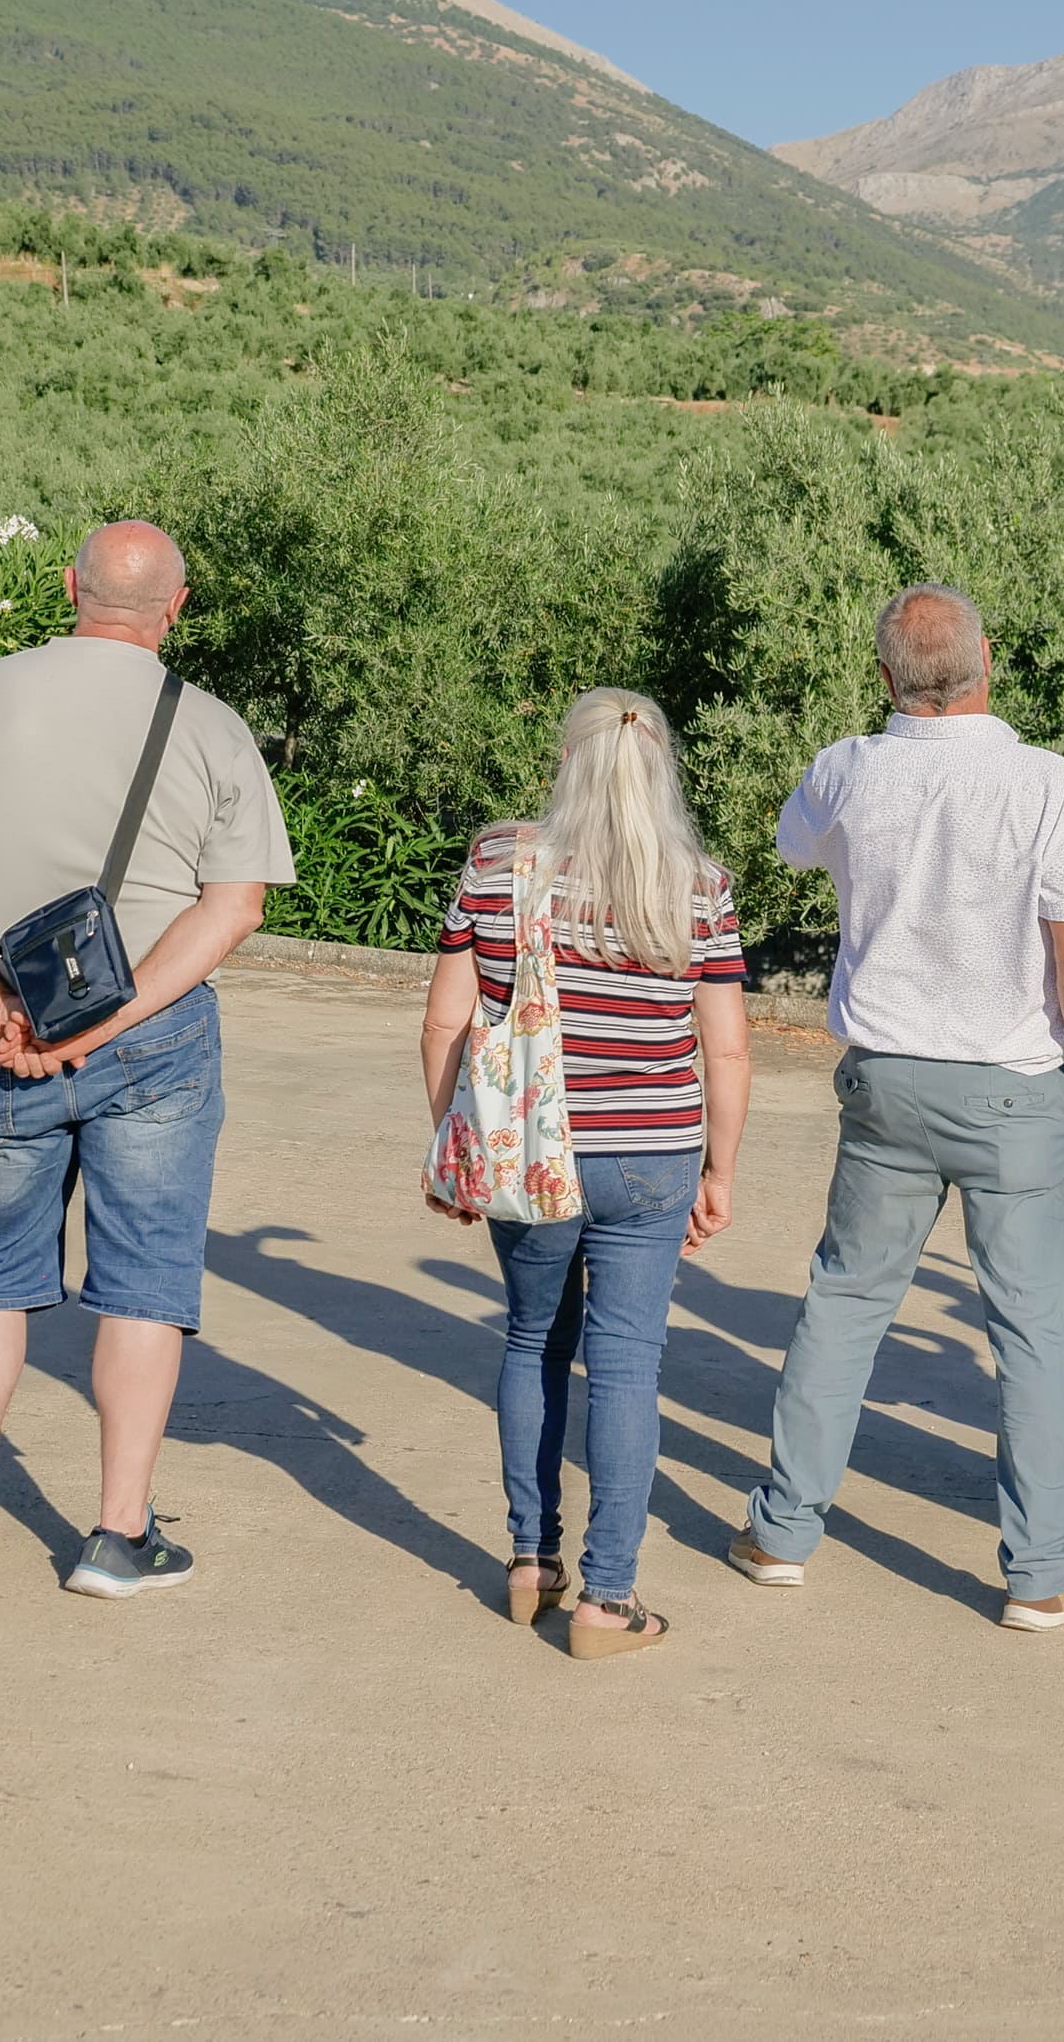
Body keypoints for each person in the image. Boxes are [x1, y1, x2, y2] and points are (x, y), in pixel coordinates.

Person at [0, 522, 293, 1597]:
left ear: (68, 590)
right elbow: (231, 908)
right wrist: (110, 1020)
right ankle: (115, 1535)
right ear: (177, 608)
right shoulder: (208, 728)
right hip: (154, 1042)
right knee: (145, 1284)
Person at [736, 586, 1064, 1632]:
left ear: (885, 679)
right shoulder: (1047, 784)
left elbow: (797, 848)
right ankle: (1039, 1573)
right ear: (987, 663)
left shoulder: (843, 769)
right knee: (1032, 1331)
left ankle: (781, 1530)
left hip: (888, 1079)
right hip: (1014, 1088)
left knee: (845, 1299)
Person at [419, 692, 750, 1659]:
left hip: (529, 1147)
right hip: (652, 1155)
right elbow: (724, 1050)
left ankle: (532, 1562)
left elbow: (445, 1022)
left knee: (531, 1339)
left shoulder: (495, 864)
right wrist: (720, 1169)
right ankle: (609, 1600)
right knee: (628, 1361)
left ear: (567, 760)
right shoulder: (700, 887)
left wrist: (454, 1139)